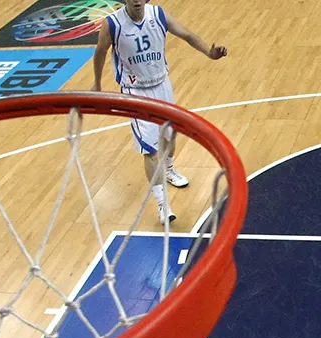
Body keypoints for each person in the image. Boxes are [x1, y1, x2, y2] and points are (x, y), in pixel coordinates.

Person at [90, 0, 228, 224]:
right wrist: (97, 83)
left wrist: (209, 53)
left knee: (170, 136)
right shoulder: (113, 24)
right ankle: (163, 205)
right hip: (135, 92)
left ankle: (170, 170)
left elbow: (187, 35)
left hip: (162, 85)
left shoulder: (158, 15)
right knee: (150, 150)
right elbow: (100, 52)